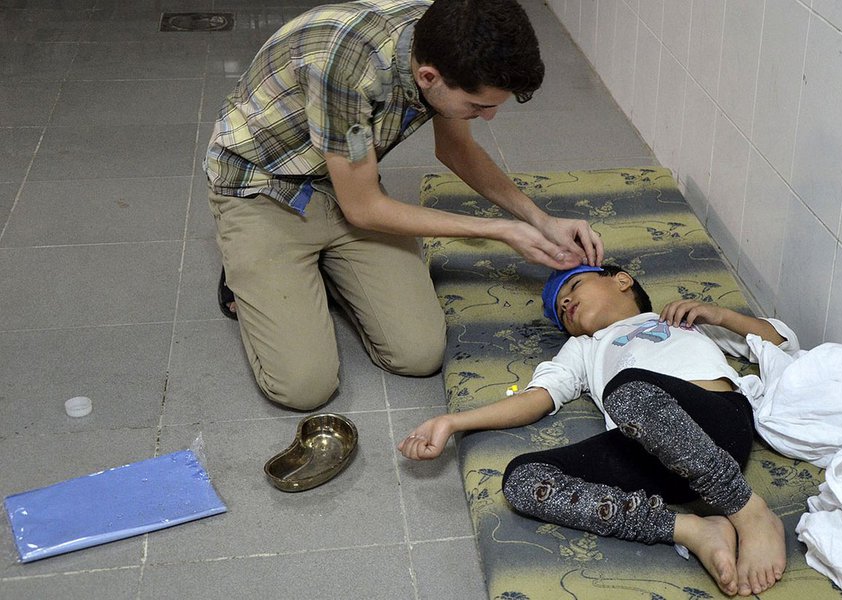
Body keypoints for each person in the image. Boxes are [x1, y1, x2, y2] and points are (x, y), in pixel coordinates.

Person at [204, 0, 603, 411]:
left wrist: (540, 219)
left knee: (419, 354)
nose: (489, 117)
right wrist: (500, 229)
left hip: (346, 180)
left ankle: (319, 272)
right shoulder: (345, 68)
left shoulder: (446, 37)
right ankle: (249, 267)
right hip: (263, 188)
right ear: (429, 77)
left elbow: (456, 150)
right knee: (305, 388)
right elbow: (363, 210)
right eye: (478, 106)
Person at [399, 264, 800, 597]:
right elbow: (537, 397)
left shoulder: (680, 319)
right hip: (650, 458)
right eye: (560, 310)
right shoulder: (584, 348)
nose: (566, 303)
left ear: (621, 280)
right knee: (522, 479)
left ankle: (748, 511)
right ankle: (691, 529)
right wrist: (452, 421)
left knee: (629, 391)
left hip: (717, 428)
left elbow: (781, 342)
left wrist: (719, 315)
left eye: (574, 287)